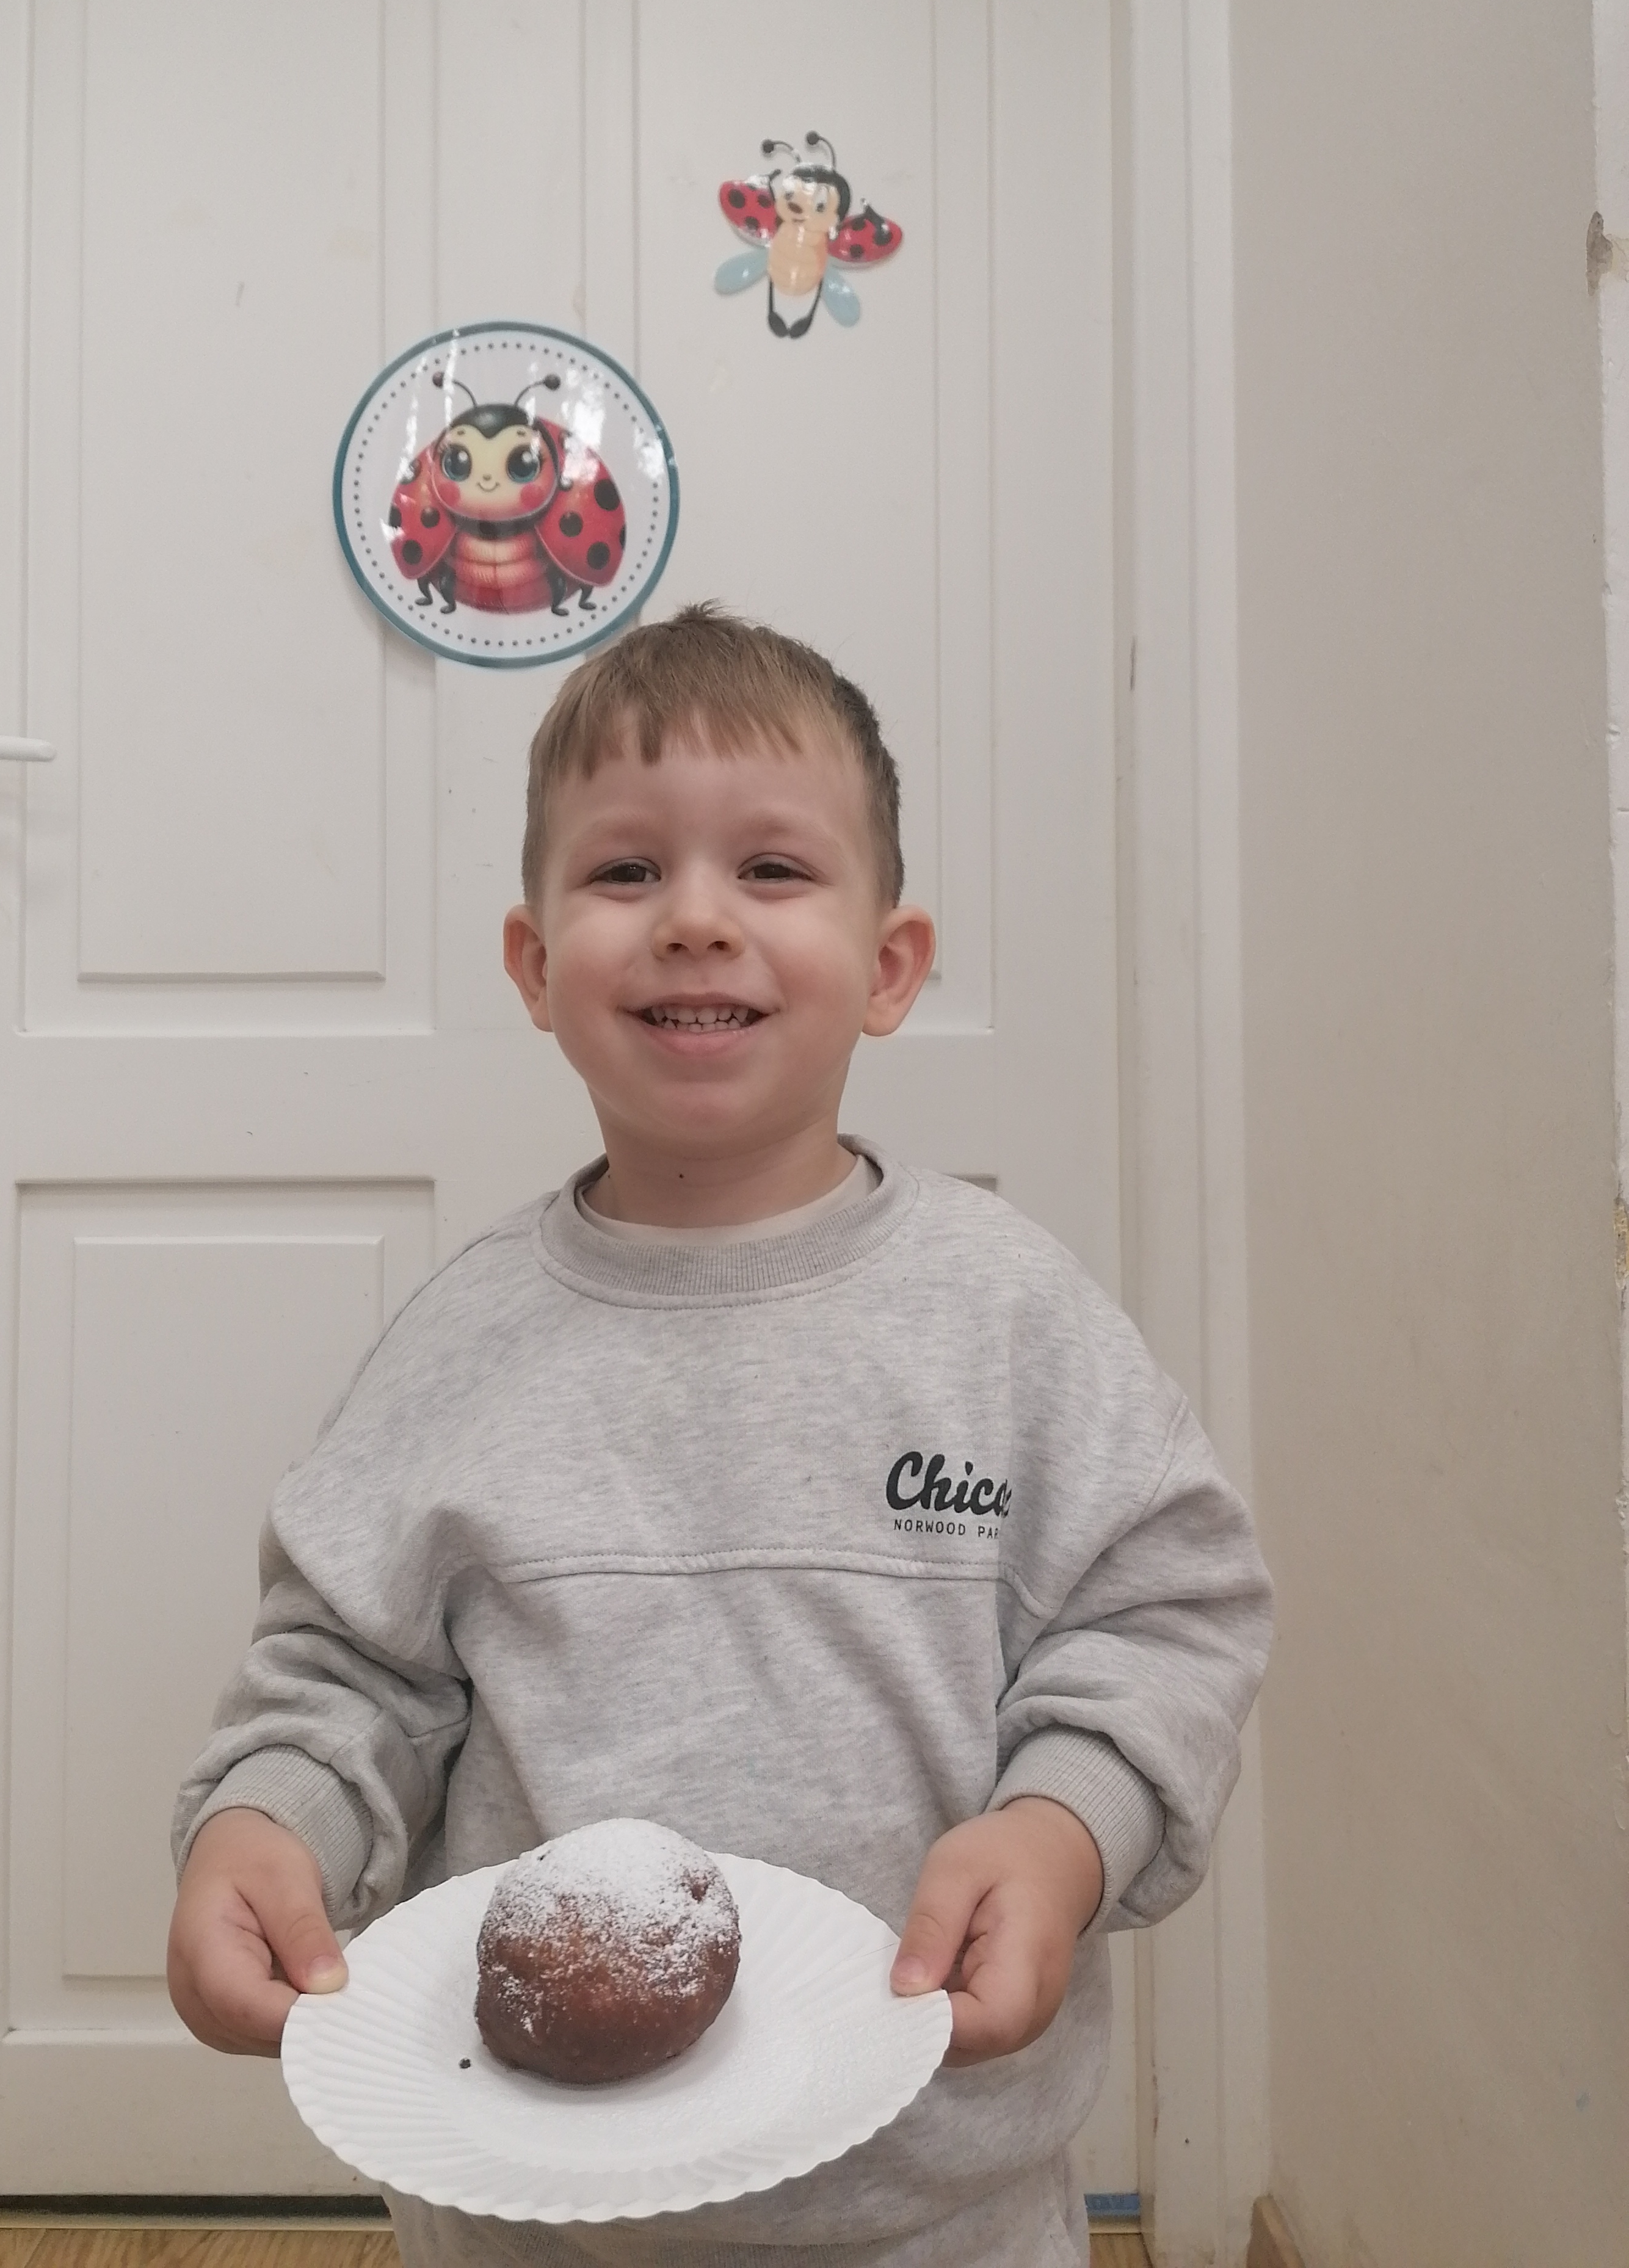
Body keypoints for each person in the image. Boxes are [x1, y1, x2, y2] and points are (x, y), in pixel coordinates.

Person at [167, 606, 1273, 2267]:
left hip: (941, 2216)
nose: (696, 919)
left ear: (889, 966)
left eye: (771, 870)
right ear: (536, 966)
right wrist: (267, 1823)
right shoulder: (459, 1349)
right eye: (626, 872)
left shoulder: (1009, 1318)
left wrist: (1066, 1828)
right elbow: (344, 1675)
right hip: (533, 2217)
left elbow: (1167, 1618)